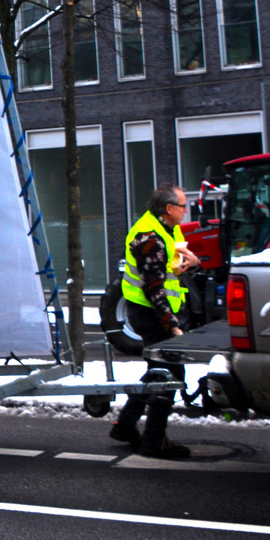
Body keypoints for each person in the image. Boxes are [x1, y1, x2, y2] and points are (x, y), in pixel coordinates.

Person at [110, 183, 200, 458]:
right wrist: (171, 324)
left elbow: (170, 268)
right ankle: (153, 442)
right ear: (169, 208)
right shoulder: (149, 236)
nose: (186, 210)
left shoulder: (168, 229)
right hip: (149, 314)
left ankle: (125, 426)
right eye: (183, 206)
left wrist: (193, 263)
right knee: (170, 374)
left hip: (154, 312)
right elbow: (154, 287)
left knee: (156, 372)